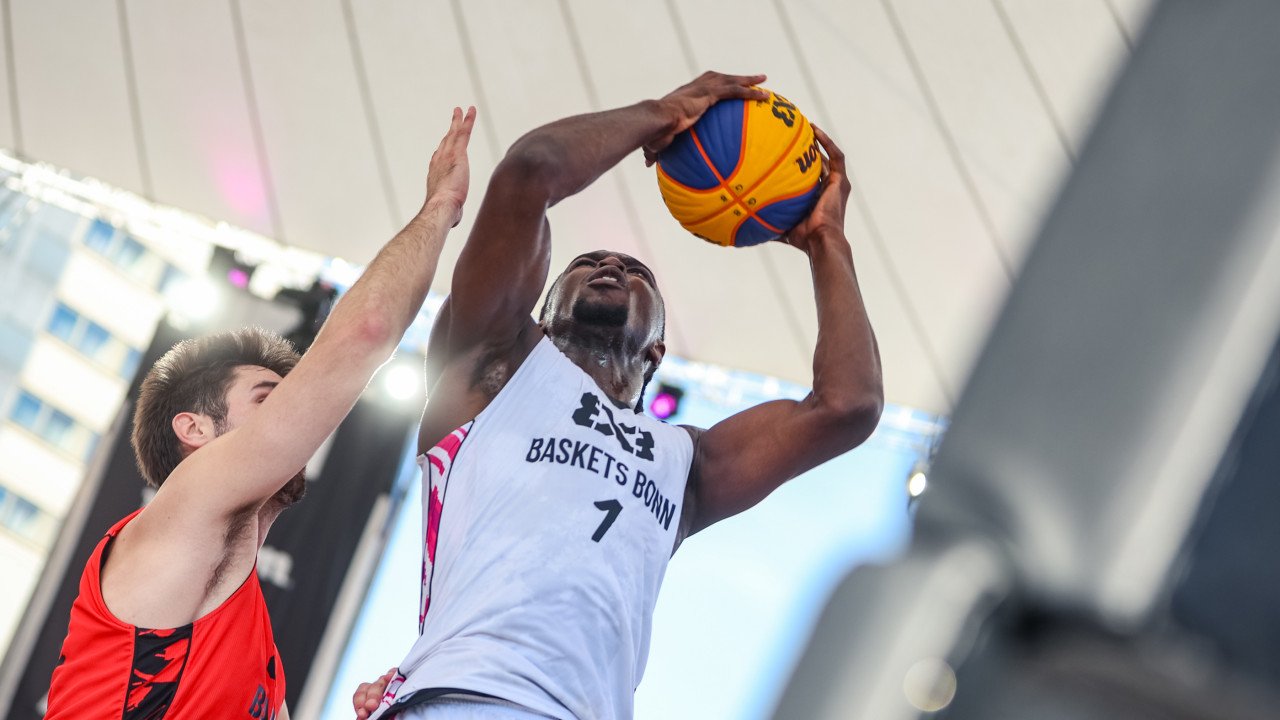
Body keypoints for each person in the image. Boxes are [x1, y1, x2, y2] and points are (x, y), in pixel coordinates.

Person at [355, 71, 882, 720]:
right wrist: (661, 116)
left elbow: (847, 405)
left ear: (658, 348)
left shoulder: (686, 463)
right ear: (540, 317)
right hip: (463, 699)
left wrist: (826, 240)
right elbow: (530, 172)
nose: (611, 266)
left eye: (635, 273)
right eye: (589, 264)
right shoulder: (493, 368)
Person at [44, 107, 476, 720]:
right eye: (268, 398)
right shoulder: (188, 502)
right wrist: (440, 209)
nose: (298, 418)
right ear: (194, 430)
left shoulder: (254, 646)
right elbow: (367, 331)